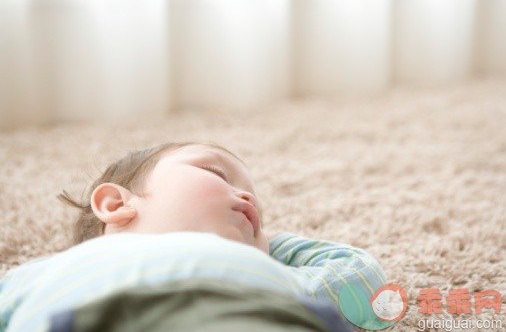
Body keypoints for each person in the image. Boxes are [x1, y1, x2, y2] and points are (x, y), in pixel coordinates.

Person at [0, 142, 387, 332]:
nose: (250, 198)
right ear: (116, 203)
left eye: (261, 213)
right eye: (218, 175)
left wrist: (263, 247)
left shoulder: (272, 278)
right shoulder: (42, 273)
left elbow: (367, 287)